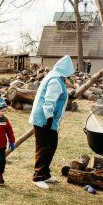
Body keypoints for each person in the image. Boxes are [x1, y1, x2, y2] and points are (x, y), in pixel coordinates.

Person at [29, 55, 75, 189]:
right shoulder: (55, 80)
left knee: (51, 146)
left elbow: (58, 95)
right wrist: (48, 119)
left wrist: (69, 95)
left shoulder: (55, 77)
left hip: (47, 119)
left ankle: (45, 174)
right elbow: (49, 102)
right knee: (45, 147)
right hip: (44, 119)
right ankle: (38, 177)